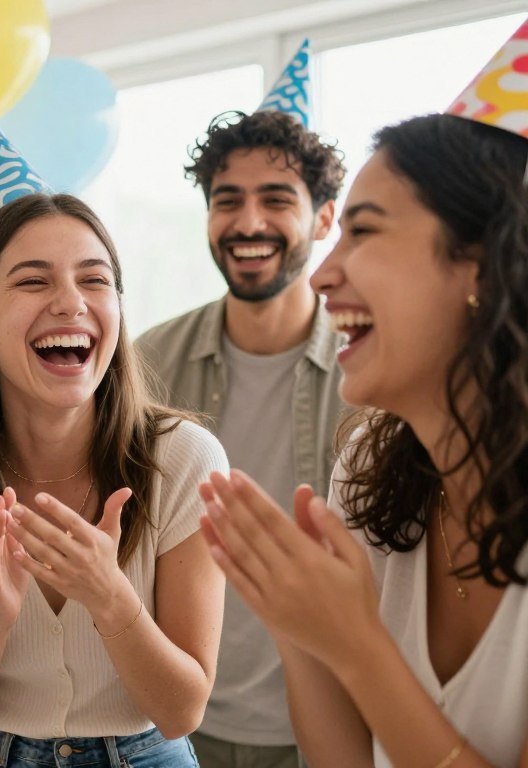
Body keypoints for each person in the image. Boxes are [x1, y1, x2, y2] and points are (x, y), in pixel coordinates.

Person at [199, 113, 528, 767]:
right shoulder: (370, 466)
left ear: (483, 266)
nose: (322, 277)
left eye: (365, 230)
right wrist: (298, 625)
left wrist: (353, 642)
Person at [0, 192, 229, 768]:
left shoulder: (185, 460)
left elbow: (181, 712)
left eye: (95, 280)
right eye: (33, 282)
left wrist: (108, 595)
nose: (71, 303)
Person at [135, 108, 347, 766]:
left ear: (323, 220)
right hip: (170, 725)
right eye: (228, 201)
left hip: (323, 728)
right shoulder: (148, 364)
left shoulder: (371, 370)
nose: (249, 223)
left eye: (276, 200)